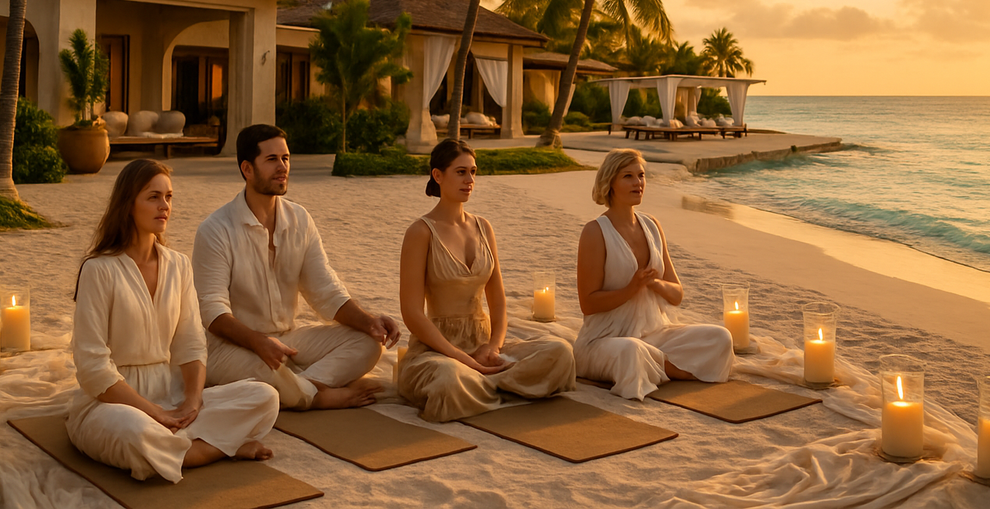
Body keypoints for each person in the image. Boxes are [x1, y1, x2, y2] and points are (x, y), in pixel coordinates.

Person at [67, 159, 279, 483]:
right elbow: (92, 366)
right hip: (113, 401)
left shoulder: (178, 265)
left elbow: (191, 343)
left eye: (168, 197)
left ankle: (177, 449)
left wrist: (192, 401)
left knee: (264, 397)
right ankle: (214, 450)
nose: (164, 206)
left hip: (170, 391)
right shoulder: (99, 269)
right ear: (128, 204)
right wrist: (154, 412)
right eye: (153, 197)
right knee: (134, 431)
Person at [193, 125, 399, 410]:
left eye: (285, 158)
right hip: (228, 348)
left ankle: (304, 389)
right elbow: (213, 313)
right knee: (270, 375)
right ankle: (317, 396)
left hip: (288, 337)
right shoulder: (216, 229)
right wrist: (258, 342)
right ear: (247, 169)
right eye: (272, 159)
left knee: (367, 344)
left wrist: (370, 322)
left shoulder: (299, 219)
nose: (282, 167)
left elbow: (326, 290)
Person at [397, 138, 576, 422]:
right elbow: (412, 314)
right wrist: (462, 358)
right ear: (438, 175)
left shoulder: (483, 227)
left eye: (473, 172)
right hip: (437, 349)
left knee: (560, 352)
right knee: (448, 378)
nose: (469, 180)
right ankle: (494, 384)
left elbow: (498, 302)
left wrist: (492, 348)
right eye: (461, 172)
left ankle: (483, 384)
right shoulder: (420, 232)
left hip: (483, 343)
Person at [573, 149, 734, 400]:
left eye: (641, 175)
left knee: (720, 337)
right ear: (610, 183)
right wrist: (631, 288)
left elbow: (677, 294)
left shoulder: (651, 225)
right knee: (631, 351)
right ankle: (673, 371)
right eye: (628, 176)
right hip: (604, 341)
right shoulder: (595, 232)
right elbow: (588, 303)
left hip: (654, 335)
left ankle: (655, 368)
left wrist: (656, 283)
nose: (638, 182)